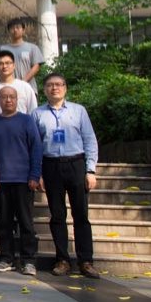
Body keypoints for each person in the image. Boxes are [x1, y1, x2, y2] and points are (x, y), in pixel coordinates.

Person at [32, 73, 100, 279]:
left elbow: (89, 140)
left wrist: (90, 170)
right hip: (51, 165)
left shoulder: (79, 111)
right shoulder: (37, 114)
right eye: (50, 85)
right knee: (57, 215)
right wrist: (38, 172)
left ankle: (85, 260)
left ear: (65, 88)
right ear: (44, 89)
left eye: (59, 84)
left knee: (81, 214)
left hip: (76, 164)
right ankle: (62, 259)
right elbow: (35, 146)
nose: (55, 88)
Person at [0, 86, 42, 275]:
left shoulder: (27, 120)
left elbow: (36, 148)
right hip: (0, 181)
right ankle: (6, 258)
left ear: (17, 99)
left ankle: (29, 260)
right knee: (3, 222)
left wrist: (35, 175)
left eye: (12, 97)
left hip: (23, 180)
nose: (8, 100)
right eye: (4, 97)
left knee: (26, 222)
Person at [0, 51, 37, 123]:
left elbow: (33, 111)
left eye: (8, 63)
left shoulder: (25, 87)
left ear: (14, 65)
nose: (4, 66)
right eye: (0, 64)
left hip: (22, 127)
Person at [1, 18, 45, 95]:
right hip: (8, 89)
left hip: (29, 88)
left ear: (23, 30)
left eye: (18, 27)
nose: (15, 30)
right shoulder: (3, 49)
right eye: (12, 28)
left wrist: (22, 82)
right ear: (8, 31)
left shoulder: (32, 47)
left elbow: (36, 67)